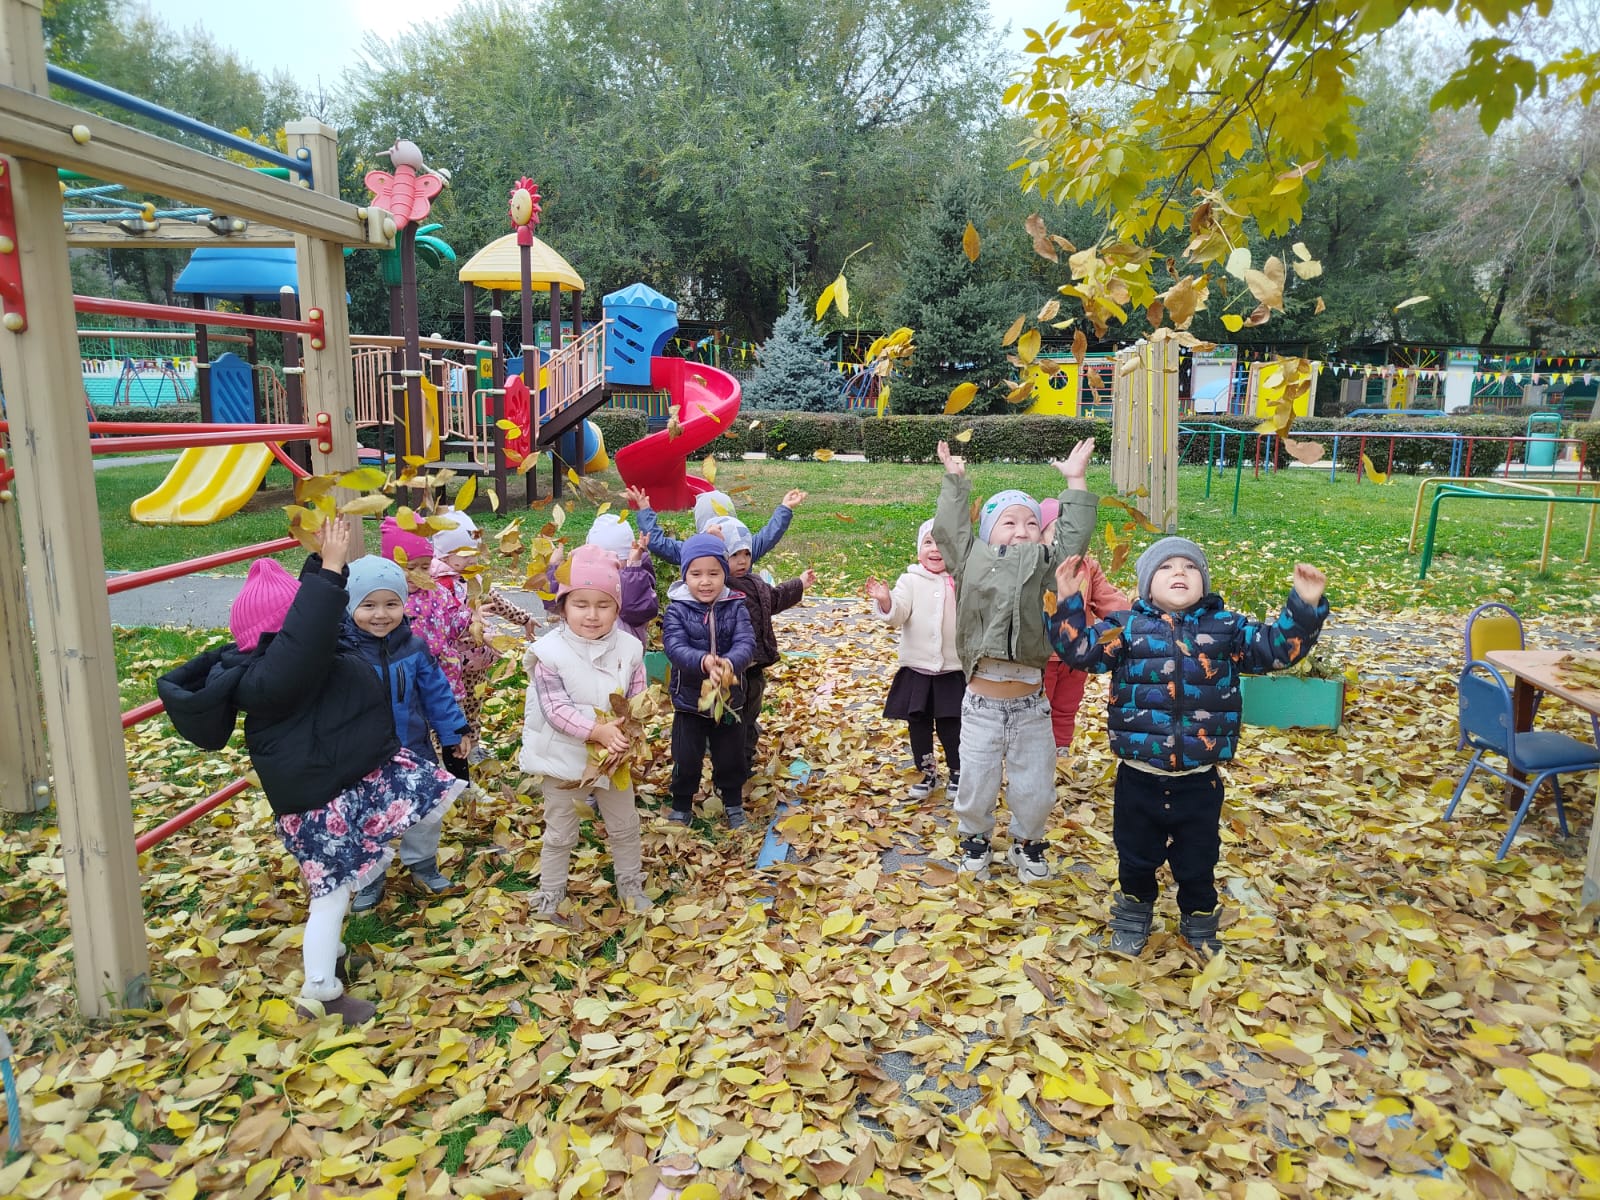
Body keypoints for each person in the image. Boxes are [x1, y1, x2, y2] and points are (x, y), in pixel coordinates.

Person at [157, 521, 465, 1026]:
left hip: (327, 792)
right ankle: (320, 990)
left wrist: (319, 567)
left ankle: (332, 956)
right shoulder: (282, 673)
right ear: (290, 633)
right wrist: (329, 570)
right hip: (321, 805)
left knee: (337, 890)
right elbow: (308, 631)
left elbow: (308, 627)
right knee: (329, 897)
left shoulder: (275, 665)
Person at [1048, 537, 1329, 955]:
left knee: (1198, 861)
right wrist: (1069, 600)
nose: (1178, 573)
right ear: (1146, 587)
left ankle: (1199, 920)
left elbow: (1275, 650)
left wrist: (1303, 609)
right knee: (1135, 856)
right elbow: (1081, 652)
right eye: (1166, 567)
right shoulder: (1124, 628)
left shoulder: (1228, 629)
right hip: (1139, 777)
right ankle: (1133, 913)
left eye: (1189, 567)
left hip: (1199, 781)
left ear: (1204, 582)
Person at [931, 438, 1098, 883]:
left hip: (1030, 705)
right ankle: (975, 838)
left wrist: (1075, 480)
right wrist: (956, 480)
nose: (1022, 529)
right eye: (1009, 522)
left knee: (1035, 788)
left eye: (1030, 522)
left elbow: (1072, 542)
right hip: (981, 705)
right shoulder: (969, 559)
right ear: (987, 532)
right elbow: (949, 530)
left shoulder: (1045, 563)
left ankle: (1029, 842)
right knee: (976, 783)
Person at [518, 545, 652, 918]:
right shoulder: (548, 653)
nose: (592, 615)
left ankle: (630, 883)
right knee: (560, 832)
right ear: (563, 606)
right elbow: (556, 709)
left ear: (617, 608)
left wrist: (631, 727)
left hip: (614, 761)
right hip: (564, 761)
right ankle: (550, 892)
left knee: (625, 825)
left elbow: (637, 696)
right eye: (581, 604)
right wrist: (597, 731)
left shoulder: (630, 647)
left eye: (603, 604)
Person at [342, 555, 472, 912]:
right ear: (351, 605)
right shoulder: (341, 653)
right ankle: (370, 878)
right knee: (366, 816)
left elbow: (437, 693)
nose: (380, 614)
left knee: (425, 812)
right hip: (361, 756)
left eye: (391, 604)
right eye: (368, 605)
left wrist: (453, 731)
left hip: (413, 748)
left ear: (404, 604)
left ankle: (423, 864)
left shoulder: (413, 648)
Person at [404, 509, 539, 772]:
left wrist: (523, 618)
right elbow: (444, 625)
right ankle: (446, 756)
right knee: (451, 710)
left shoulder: (471, 577)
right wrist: (473, 628)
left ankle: (473, 746)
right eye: (465, 554)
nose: (472, 558)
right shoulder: (436, 585)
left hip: (476, 659)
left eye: (474, 552)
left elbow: (494, 601)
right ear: (445, 553)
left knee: (474, 704)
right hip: (451, 663)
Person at [661, 532, 757, 828]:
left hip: (728, 699)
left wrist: (729, 663)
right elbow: (674, 647)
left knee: (731, 756)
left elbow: (746, 642)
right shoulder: (677, 608)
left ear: (724, 575)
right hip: (689, 702)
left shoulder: (736, 605)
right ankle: (681, 803)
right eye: (697, 574)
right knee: (685, 757)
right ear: (685, 575)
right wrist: (703, 662)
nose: (705, 581)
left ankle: (732, 802)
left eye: (714, 573)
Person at [866, 519, 964, 801]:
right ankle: (927, 772)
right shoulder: (909, 580)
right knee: (918, 724)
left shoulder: (960, 580)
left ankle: (957, 771)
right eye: (929, 543)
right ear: (919, 548)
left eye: (943, 543)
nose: (935, 549)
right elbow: (898, 613)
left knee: (951, 724)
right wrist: (886, 601)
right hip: (918, 670)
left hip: (951, 668)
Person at [717, 518, 814, 777]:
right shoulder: (720, 588)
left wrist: (799, 584)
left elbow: (774, 599)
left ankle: (745, 761)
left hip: (755, 664)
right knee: (732, 715)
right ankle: (728, 766)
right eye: (733, 554)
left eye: (746, 553)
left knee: (750, 712)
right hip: (731, 668)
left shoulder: (756, 582)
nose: (741, 560)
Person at [1038, 497, 1130, 757]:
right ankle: (1035, 751)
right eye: (1059, 532)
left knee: (1066, 706)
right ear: (1040, 536)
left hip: (1077, 655)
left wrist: (1136, 618)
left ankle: (1060, 748)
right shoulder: (1038, 565)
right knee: (1040, 707)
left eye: (1075, 533)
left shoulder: (1089, 566)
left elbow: (1108, 599)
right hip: (1044, 655)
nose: (1069, 540)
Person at [542, 512, 660, 646]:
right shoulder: (581, 571)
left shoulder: (635, 574)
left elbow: (637, 610)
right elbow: (553, 603)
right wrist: (554, 569)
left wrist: (633, 569)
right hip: (577, 653)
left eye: (616, 558)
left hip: (620, 656)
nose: (607, 564)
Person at [626, 484, 806, 567]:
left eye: (742, 554)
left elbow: (770, 534)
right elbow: (657, 543)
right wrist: (644, 510)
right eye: (733, 555)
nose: (742, 561)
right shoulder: (696, 552)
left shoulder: (747, 547)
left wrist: (785, 508)